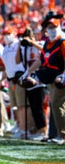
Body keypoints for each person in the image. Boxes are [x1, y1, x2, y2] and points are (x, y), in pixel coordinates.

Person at [22, 15, 65, 144]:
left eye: (54, 27)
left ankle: (62, 135)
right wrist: (28, 72)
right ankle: (57, 134)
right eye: (49, 27)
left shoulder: (62, 42)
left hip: (60, 78)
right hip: (51, 79)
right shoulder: (47, 43)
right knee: (56, 106)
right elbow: (41, 60)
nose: (51, 30)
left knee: (58, 105)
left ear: (59, 27)